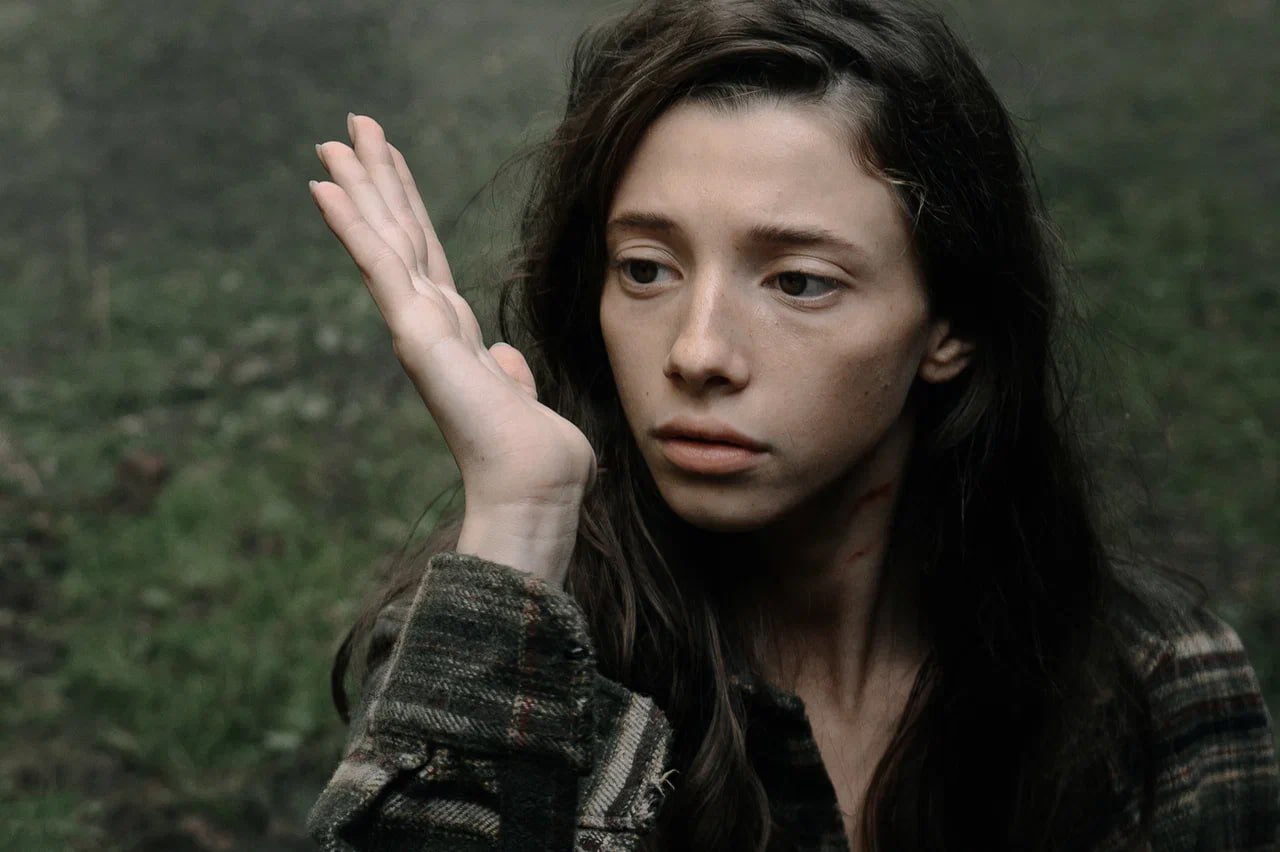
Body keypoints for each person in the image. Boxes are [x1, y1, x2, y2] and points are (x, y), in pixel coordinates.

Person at [302, 0, 1279, 849]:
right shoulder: (502, 643)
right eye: (645, 268)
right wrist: (520, 518)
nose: (697, 352)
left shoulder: (1146, 685)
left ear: (950, 325)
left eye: (799, 282)